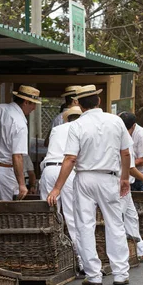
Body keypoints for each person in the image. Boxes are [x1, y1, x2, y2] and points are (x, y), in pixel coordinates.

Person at [47, 85, 133, 285]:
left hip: (85, 177)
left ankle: (93, 274)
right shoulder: (116, 121)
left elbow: (70, 159)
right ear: (99, 101)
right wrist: (125, 178)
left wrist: (57, 187)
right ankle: (120, 272)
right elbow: (126, 153)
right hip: (109, 176)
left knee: (85, 225)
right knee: (115, 223)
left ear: (78, 104)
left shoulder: (77, 125)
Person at [0, 85, 41, 201]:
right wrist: (21, 184)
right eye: (33, 104)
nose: (34, 108)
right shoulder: (19, 123)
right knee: (9, 209)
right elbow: (17, 156)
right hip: (4, 170)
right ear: (26, 102)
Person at [39, 106, 83, 269]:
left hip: (49, 169)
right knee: (72, 218)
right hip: (68, 170)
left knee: (50, 216)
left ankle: (51, 259)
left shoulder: (56, 130)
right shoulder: (81, 129)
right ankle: (81, 261)